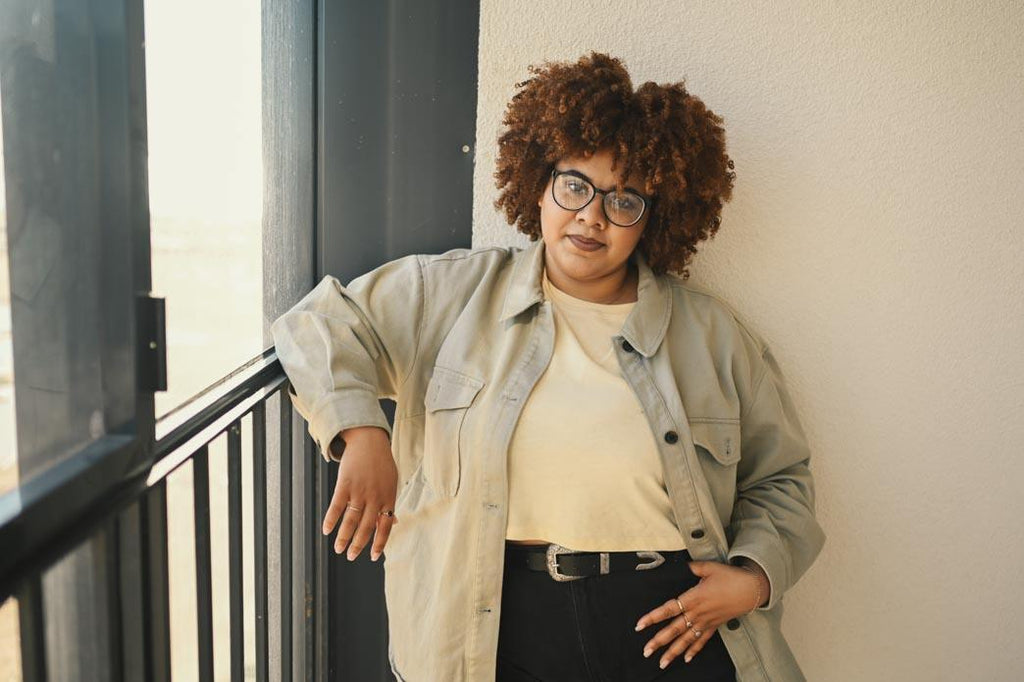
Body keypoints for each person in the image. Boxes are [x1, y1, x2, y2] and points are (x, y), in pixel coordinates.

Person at [271, 51, 825, 682]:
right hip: (499, 622)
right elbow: (315, 323)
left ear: (654, 219)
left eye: (624, 201)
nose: (592, 215)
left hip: (675, 620)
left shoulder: (715, 337)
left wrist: (753, 580)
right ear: (538, 180)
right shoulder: (448, 295)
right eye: (574, 185)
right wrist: (362, 434)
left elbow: (782, 478)